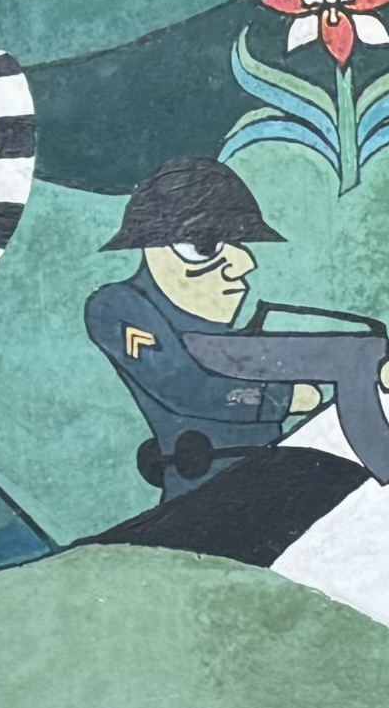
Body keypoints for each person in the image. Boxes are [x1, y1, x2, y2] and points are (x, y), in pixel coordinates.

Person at [87, 158, 327, 488]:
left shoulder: (225, 335)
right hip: (203, 494)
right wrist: (280, 398)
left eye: (241, 243)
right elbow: (186, 387)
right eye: (206, 246)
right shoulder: (118, 306)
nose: (243, 264)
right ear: (154, 247)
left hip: (271, 480)